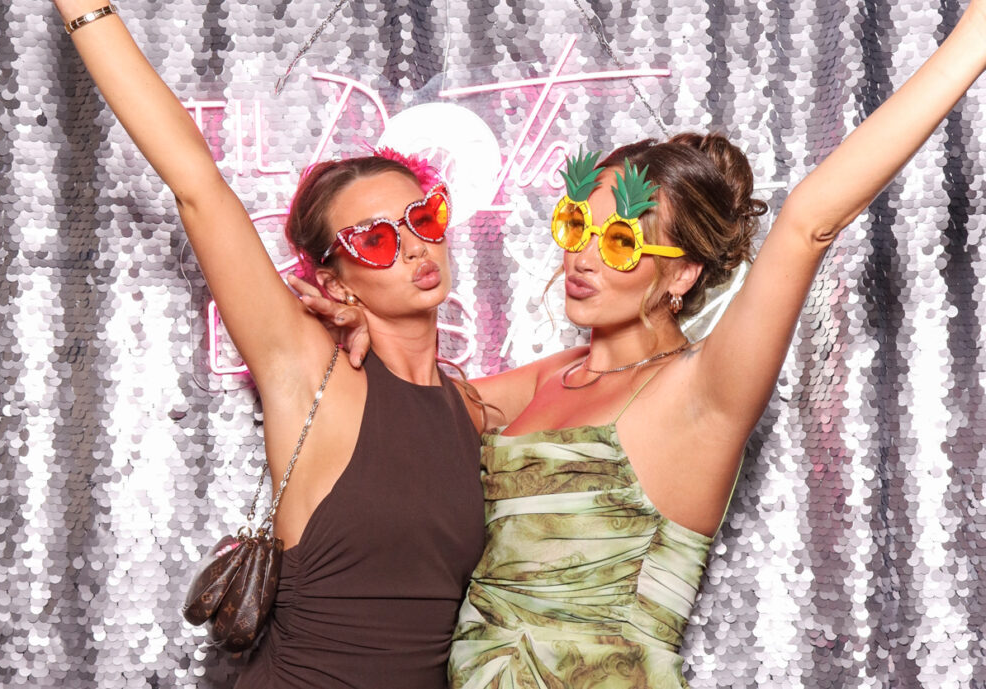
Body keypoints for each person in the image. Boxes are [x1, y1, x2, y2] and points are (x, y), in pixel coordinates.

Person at [442, 3, 986, 688]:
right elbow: (408, 412)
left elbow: (809, 223)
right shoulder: (551, 379)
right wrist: (357, 310)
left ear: (683, 271)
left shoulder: (700, 392)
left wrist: (975, 36)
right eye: (579, 225)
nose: (581, 256)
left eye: (619, 241)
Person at [51, 2, 485, 688]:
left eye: (422, 216)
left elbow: (622, 373)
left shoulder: (474, 407)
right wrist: (85, 10)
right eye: (373, 239)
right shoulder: (308, 369)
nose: (411, 247)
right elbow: (197, 185)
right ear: (331, 279)